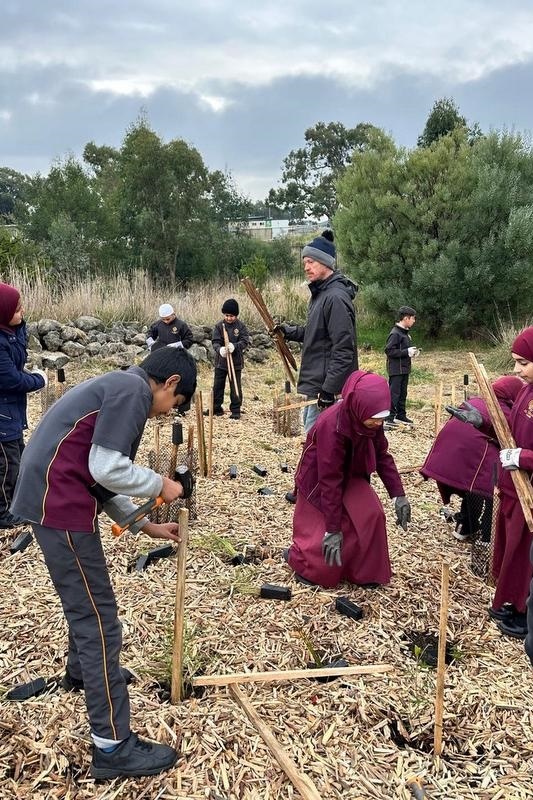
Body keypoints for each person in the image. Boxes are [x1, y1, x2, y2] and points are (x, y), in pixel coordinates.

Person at [10, 347, 197, 779]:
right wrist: (162, 483)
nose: (169, 414)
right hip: (58, 505)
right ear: (169, 384)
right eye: (176, 404)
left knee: (87, 606)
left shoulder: (119, 385)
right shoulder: (133, 392)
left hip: (55, 498)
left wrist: (144, 525)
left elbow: (94, 474)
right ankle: (112, 746)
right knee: (99, 620)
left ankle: (82, 673)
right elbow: (107, 466)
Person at [284, 370, 411, 588]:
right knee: (324, 556)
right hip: (319, 481)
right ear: (358, 407)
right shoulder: (331, 426)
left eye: (381, 419)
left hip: (352, 475)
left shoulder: (372, 421)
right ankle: (303, 562)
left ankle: (365, 571)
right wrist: (332, 529)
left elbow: (382, 456)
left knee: (372, 514)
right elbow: (329, 479)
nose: (378, 424)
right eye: (374, 419)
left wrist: (398, 495)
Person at [448, 328, 533, 640]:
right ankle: (509, 604)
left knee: (525, 556)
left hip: (530, 494)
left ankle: (524, 612)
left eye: (523, 362)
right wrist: (482, 421)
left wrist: (523, 458)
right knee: (511, 551)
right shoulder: (526, 391)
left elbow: (521, 450)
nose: (515, 370)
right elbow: (508, 431)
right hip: (513, 488)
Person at [421, 376, 524, 542]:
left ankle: (464, 526)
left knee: (471, 486)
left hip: (448, 452)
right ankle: (487, 537)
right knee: (490, 490)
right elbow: (511, 440)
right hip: (474, 452)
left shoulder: (475, 401)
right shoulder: (504, 411)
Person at [275, 230, 358, 434]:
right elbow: (317, 334)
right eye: (304, 262)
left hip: (328, 391)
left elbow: (344, 349)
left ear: (326, 263)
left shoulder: (335, 298)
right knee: (314, 446)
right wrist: (289, 332)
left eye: (311, 261)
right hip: (318, 388)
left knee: (318, 448)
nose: (306, 267)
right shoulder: (320, 294)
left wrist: (329, 389)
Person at [0, 282, 47, 529]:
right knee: (7, 465)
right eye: (17, 309)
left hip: (11, 413)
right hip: (2, 417)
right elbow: (11, 379)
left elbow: (18, 358)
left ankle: (16, 502)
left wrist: (18, 324)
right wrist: (39, 379)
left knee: (17, 456)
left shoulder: (8, 333)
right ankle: (3, 513)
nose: (23, 312)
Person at [209, 299, 250, 420]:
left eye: (231, 316)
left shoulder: (241, 327)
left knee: (235, 386)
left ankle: (236, 410)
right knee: (217, 386)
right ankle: (216, 408)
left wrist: (235, 346)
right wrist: (219, 349)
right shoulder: (218, 326)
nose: (229, 318)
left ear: (236, 315)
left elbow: (245, 341)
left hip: (235, 362)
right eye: (226, 315)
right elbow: (215, 342)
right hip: (221, 363)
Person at [384, 306, 419, 427]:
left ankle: (400, 415)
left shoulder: (405, 333)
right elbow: (389, 351)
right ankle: (389, 418)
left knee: (403, 393)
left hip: (404, 368)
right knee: (395, 393)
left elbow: (403, 350)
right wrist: (406, 352)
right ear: (406, 318)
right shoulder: (395, 333)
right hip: (396, 369)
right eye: (413, 318)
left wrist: (412, 353)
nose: (414, 321)